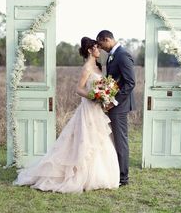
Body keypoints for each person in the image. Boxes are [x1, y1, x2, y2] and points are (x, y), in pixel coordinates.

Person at [13, 37, 120, 193]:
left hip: (97, 110)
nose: (99, 50)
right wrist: (94, 96)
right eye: (97, 47)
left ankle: (98, 175)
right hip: (88, 109)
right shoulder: (87, 68)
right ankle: (77, 174)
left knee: (99, 140)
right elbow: (79, 89)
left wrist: (104, 96)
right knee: (85, 141)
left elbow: (101, 86)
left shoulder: (99, 67)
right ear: (90, 50)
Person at [96, 30, 136, 186]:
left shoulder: (122, 55)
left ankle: (123, 178)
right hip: (113, 104)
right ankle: (115, 172)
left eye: (101, 44)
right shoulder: (113, 55)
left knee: (120, 141)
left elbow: (130, 83)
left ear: (107, 39)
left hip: (120, 106)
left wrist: (114, 101)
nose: (101, 48)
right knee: (114, 140)